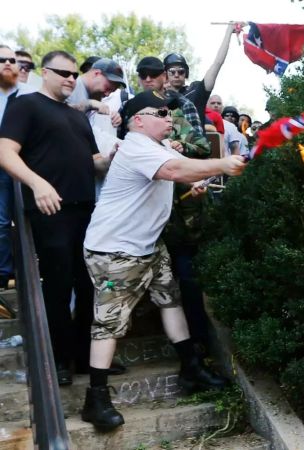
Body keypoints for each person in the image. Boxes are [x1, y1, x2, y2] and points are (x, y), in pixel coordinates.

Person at [80, 90, 245, 430]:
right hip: (115, 251)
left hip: (150, 247)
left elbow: (173, 176)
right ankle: (95, 399)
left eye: (170, 112)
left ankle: (191, 368)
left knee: (171, 301)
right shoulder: (136, 145)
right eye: (160, 112)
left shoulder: (158, 148)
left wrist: (194, 184)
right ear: (137, 120)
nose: (169, 117)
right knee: (109, 322)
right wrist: (222, 163)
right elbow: (171, 171)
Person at [0, 50, 115, 385]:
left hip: (86, 211)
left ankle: (82, 358)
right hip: (52, 210)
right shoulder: (26, 105)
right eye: (63, 72)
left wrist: (112, 157)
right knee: (59, 286)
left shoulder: (77, 117)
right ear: (44, 73)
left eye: (74, 74)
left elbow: (93, 161)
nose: (70, 79)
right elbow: (5, 151)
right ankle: (59, 360)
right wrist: (36, 184)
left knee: (89, 285)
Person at [0, 45, 37, 290]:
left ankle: (37, 271)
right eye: (1, 59)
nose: (8, 63)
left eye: (12, 60)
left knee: (33, 220)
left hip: (30, 165)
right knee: (2, 222)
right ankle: (4, 275)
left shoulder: (30, 94)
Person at [163, 22, 243, 113]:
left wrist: (228, 32)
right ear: (165, 74)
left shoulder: (196, 90)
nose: (176, 75)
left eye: (181, 71)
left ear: (186, 73)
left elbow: (217, 63)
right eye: (172, 71)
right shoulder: (157, 97)